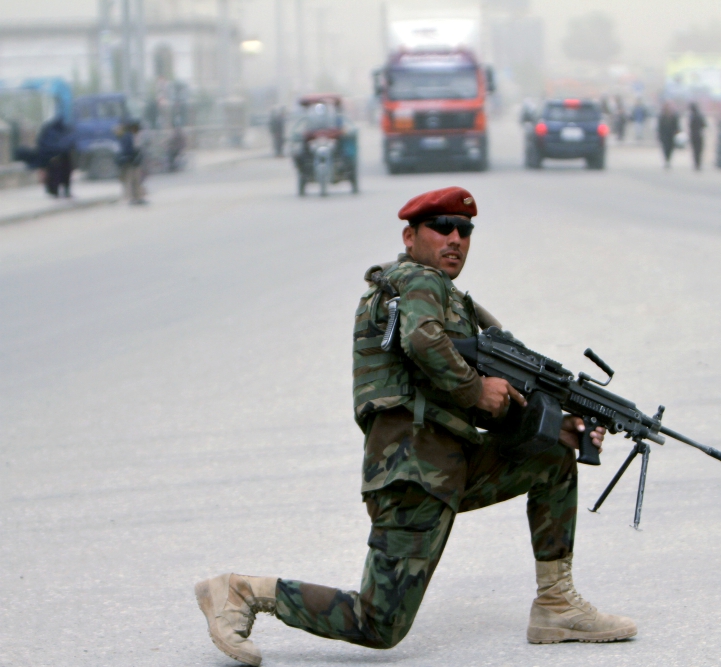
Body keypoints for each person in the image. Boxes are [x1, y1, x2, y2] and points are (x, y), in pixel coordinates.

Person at [195, 186, 637, 666]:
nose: (455, 238)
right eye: (441, 228)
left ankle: (556, 605)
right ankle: (242, 592)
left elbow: (485, 396)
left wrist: (551, 426)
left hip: (448, 462)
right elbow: (425, 345)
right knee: (378, 623)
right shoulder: (419, 281)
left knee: (551, 459)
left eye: (464, 230)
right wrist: (477, 392)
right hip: (413, 466)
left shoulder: (454, 303)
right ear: (410, 237)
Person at [36, 115, 74, 198]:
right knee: (58, 176)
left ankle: (57, 191)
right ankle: (58, 191)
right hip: (57, 158)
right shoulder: (59, 132)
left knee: (57, 175)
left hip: (57, 158)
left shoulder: (49, 131)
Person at [116, 121, 146, 204]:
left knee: (132, 181)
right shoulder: (129, 137)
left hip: (129, 162)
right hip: (131, 163)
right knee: (133, 181)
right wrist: (134, 159)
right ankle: (134, 198)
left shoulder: (127, 136)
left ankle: (135, 198)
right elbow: (129, 151)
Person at [657, 103, 680, 168]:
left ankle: (668, 160)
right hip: (664, 135)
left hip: (671, 135)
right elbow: (660, 127)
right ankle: (666, 160)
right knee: (665, 148)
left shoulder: (674, 116)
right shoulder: (662, 116)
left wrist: (677, 133)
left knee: (670, 148)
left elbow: (677, 126)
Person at [688, 102, 706, 171]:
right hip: (699, 135)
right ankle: (698, 163)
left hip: (694, 135)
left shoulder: (692, 117)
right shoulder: (700, 116)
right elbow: (704, 125)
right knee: (699, 150)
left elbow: (690, 126)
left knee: (695, 151)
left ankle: (696, 163)